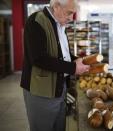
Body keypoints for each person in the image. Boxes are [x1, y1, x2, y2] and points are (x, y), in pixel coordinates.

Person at [20, 0, 90, 131]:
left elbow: (62, 55)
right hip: (41, 92)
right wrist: (73, 68)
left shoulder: (60, 25)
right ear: (56, 6)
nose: (71, 18)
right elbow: (39, 58)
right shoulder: (36, 21)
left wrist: (77, 60)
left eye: (73, 13)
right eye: (69, 13)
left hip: (59, 89)